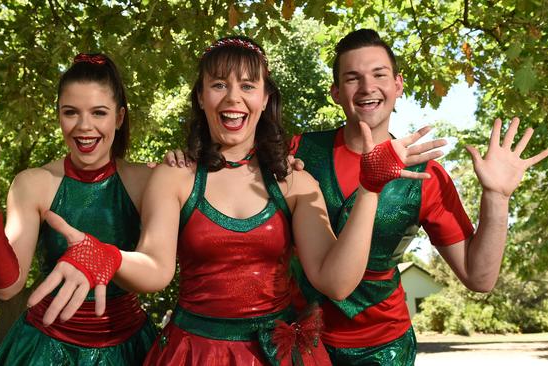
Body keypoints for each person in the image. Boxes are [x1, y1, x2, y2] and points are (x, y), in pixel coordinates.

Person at [29, 36, 446, 365]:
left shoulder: (293, 181)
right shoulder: (174, 175)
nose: (233, 97)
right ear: (201, 97)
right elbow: (155, 269)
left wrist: (370, 190)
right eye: (218, 85)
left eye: (247, 86)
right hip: (192, 354)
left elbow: (335, 281)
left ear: (264, 99)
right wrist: (107, 256)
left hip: (280, 354)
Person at [285, 29, 548, 365]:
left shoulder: (427, 177)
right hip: (299, 340)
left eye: (379, 75)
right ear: (336, 92)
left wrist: (496, 197)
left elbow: (479, 276)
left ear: (398, 84)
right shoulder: (296, 152)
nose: (368, 87)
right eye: (353, 78)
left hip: (385, 348)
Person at [0, 53, 157, 365]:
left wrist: (185, 165)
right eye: (71, 112)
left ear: (119, 118)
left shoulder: (147, 181)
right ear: (58, 116)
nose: (84, 126)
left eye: (99, 113)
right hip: (47, 348)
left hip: (130, 348)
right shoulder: (33, 183)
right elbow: (7, 287)